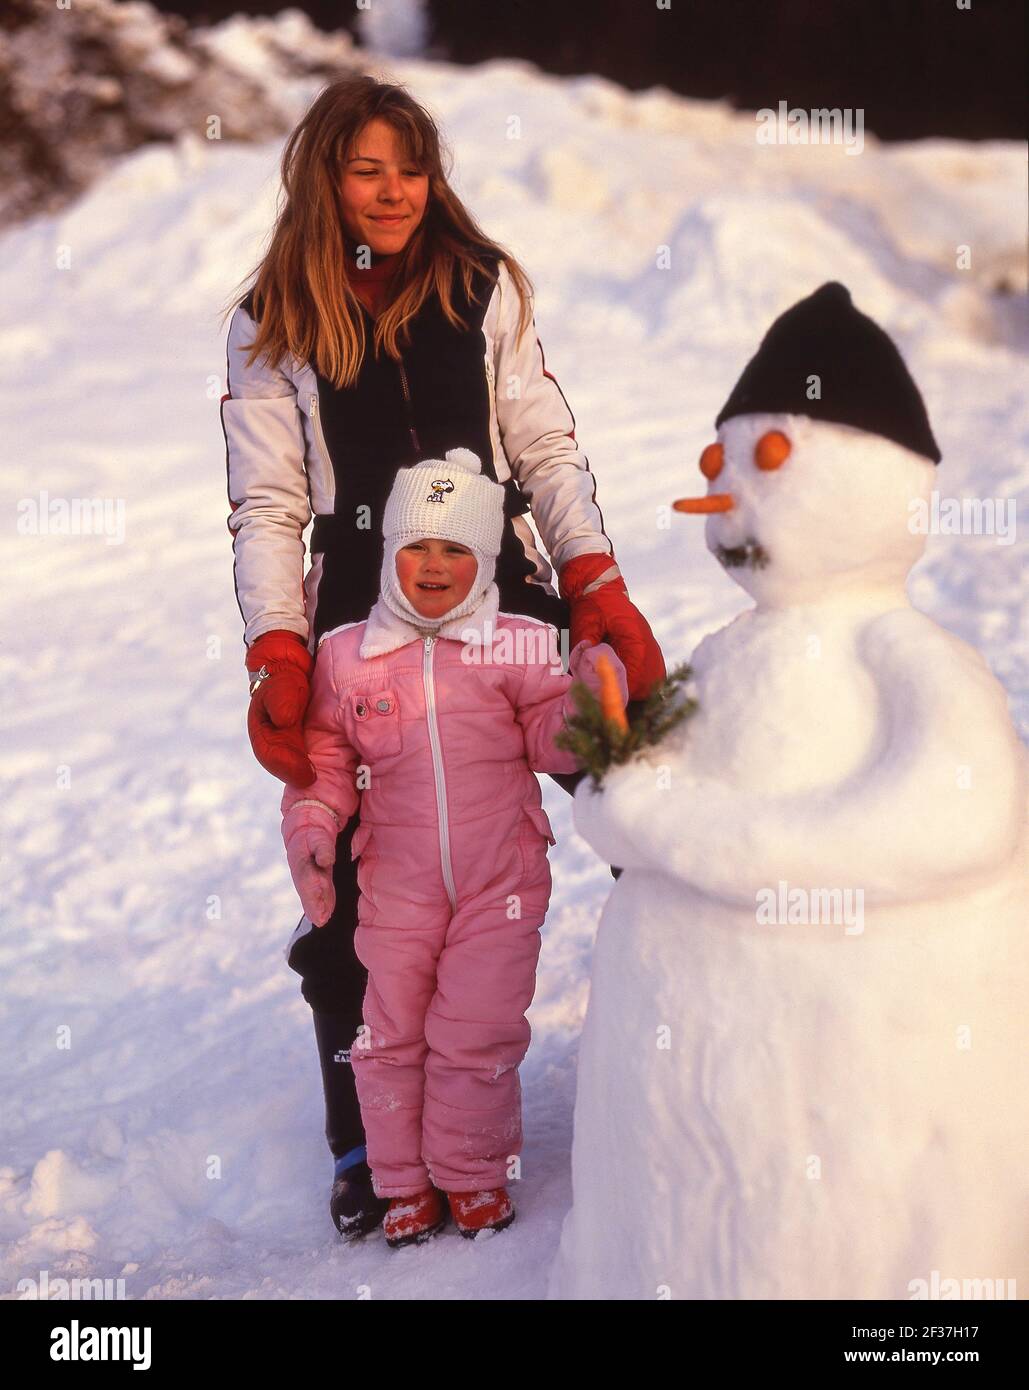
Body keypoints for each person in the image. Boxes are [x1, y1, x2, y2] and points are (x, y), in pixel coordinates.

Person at [219, 72, 665, 1240]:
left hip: (503, 597)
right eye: (366, 169)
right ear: (325, 177)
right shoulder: (274, 321)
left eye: (409, 168)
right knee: (352, 886)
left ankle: (693, 1063)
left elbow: (543, 440)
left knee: (640, 805)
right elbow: (268, 503)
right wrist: (276, 646)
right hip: (359, 624)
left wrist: (596, 580)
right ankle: (365, 1136)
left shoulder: (482, 286)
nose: (392, 192)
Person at [281, 448, 628, 1246]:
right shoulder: (343, 655)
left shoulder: (516, 644)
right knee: (389, 1035)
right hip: (394, 887)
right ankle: (401, 1182)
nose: (433, 566)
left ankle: (471, 1173)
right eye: (417, 546)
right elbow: (324, 763)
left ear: (481, 562)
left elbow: (549, 737)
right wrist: (309, 827)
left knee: (475, 1032)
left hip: (497, 882)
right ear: (387, 553)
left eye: (455, 550)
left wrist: (591, 709)